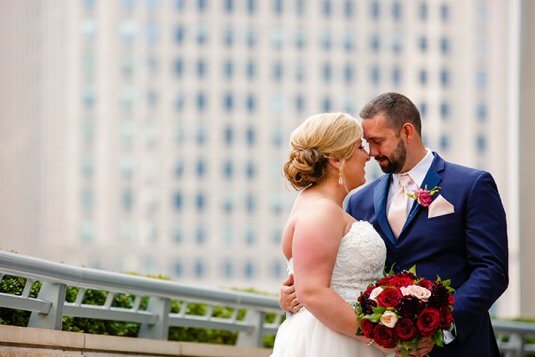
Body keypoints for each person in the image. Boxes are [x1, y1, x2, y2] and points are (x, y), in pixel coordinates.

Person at [280, 93, 509, 357]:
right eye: (365, 144)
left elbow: (492, 271)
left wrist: (441, 328)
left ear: (407, 132)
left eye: (377, 142)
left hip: (459, 348)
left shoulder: (470, 186)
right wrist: (291, 298)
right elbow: (329, 273)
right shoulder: (358, 201)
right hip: (382, 347)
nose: (371, 153)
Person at [271, 113, 394, 356]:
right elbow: (312, 291)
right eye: (359, 146)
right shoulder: (322, 211)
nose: (367, 155)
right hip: (331, 342)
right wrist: (378, 337)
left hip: (342, 334)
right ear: (336, 159)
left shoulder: (318, 204)